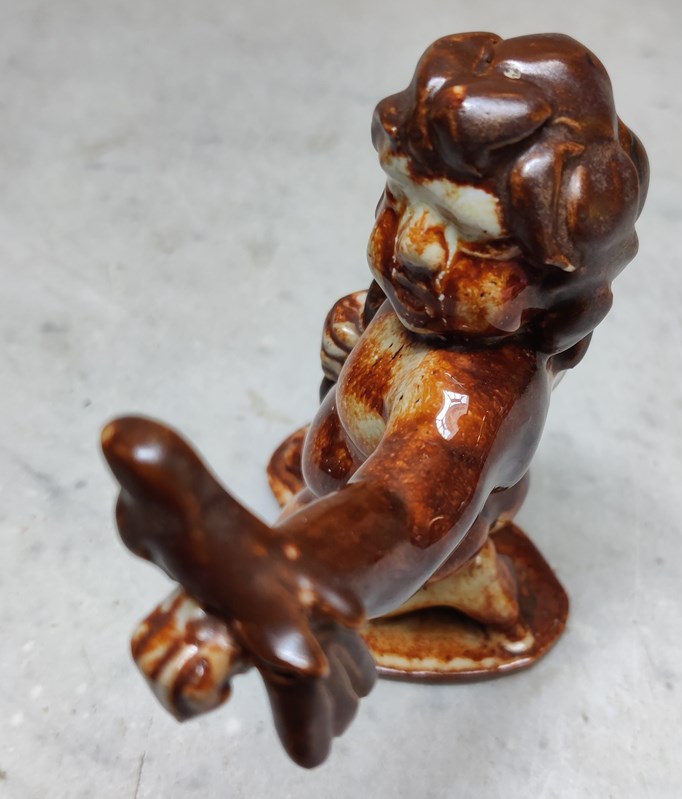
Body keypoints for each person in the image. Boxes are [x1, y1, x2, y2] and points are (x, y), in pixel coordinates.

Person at [102, 32, 648, 768]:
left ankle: (462, 594)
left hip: (397, 551)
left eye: (474, 239)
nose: (414, 246)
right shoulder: (432, 314)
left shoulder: (472, 398)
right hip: (337, 483)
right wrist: (346, 362)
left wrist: (282, 578)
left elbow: (401, 510)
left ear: (552, 288)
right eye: (401, 197)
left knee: (415, 535)